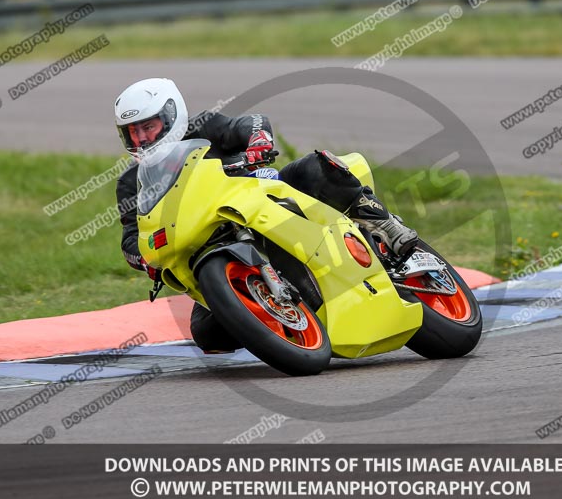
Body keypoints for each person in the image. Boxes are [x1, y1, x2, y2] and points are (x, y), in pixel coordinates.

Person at [114, 78, 417, 352]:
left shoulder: (205, 127)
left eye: (147, 127)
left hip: (271, 198)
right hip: (211, 244)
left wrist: (258, 142)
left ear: (170, 117)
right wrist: (145, 259)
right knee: (207, 334)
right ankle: (281, 323)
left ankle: (384, 225)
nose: (141, 138)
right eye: (133, 132)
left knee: (314, 167)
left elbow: (251, 122)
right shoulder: (132, 183)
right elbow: (132, 236)